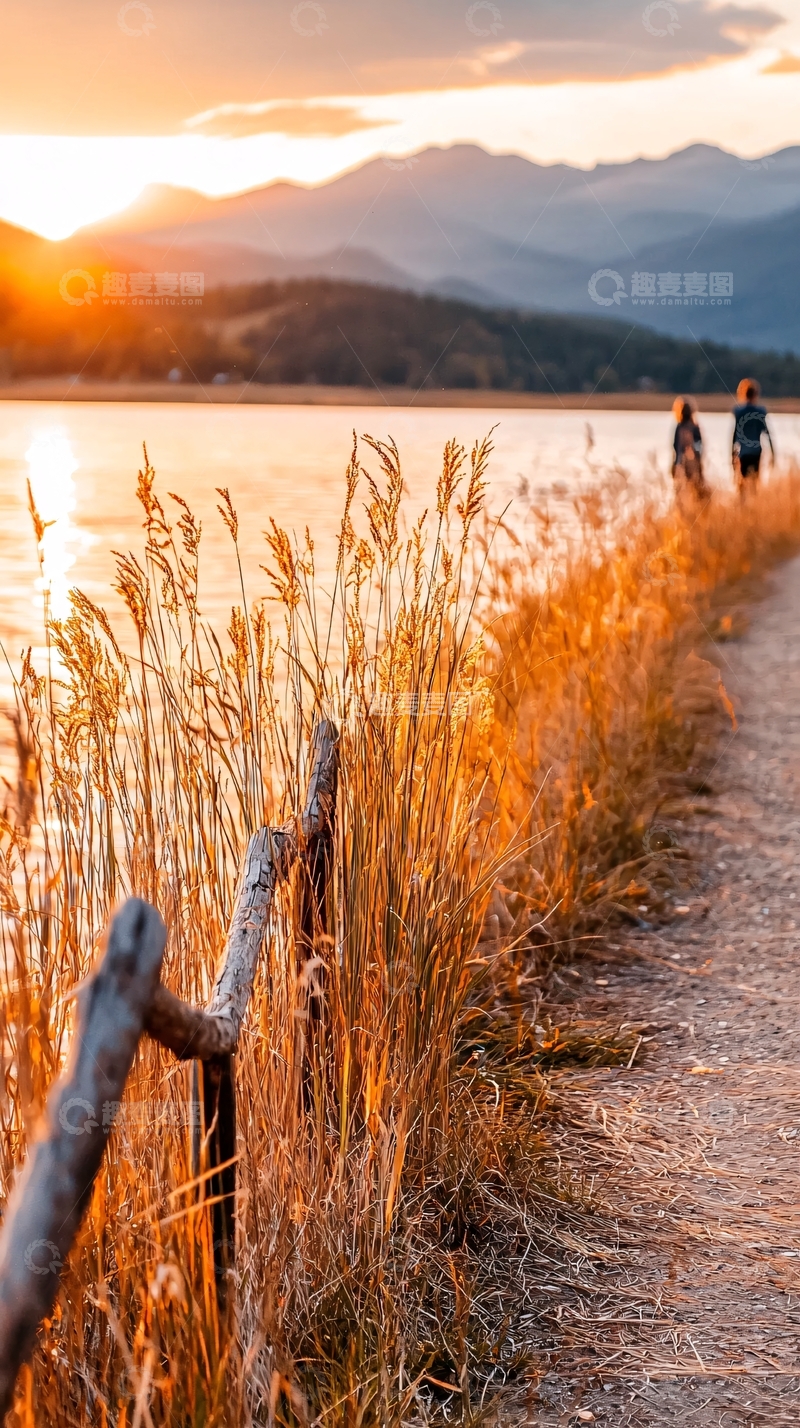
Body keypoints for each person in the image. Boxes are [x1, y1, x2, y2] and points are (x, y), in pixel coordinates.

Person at [732, 378, 774, 491]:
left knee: (741, 484)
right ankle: (753, 504)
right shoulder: (760, 411)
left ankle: (742, 506)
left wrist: (731, 454)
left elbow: (735, 434)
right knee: (754, 482)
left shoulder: (739, 411)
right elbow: (767, 433)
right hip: (756, 451)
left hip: (743, 452)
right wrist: (773, 453)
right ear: (756, 394)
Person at [672, 398, 709, 505]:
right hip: (695, 463)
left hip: (681, 464)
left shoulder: (679, 427)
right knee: (697, 488)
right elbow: (700, 446)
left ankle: (683, 510)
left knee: (680, 491)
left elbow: (675, 447)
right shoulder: (695, 427)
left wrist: (675, 464)